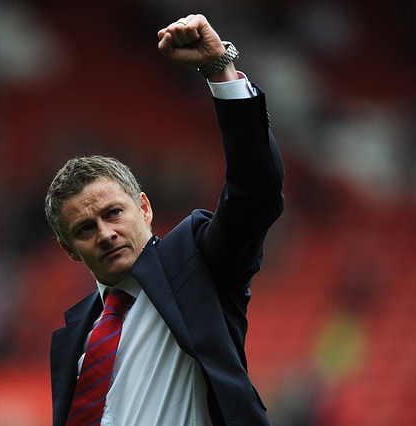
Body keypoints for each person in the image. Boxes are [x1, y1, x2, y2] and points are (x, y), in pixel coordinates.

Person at [45, 13, 285, 426]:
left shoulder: (198, 266)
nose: (105, 233)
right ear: (68, 249)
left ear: (144, 208)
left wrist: (219, 70)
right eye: (85, 229)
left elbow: (256, 190)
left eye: (113, 213)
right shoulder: (72, 340)